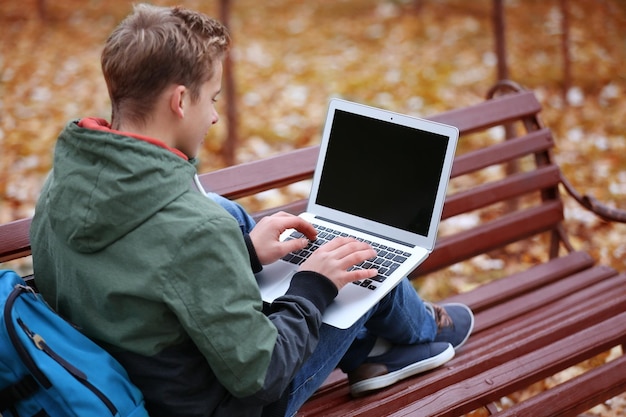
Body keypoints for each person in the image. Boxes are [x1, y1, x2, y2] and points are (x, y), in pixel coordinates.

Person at [29, 4, 474, 417]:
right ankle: (421, 333)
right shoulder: (193, 228)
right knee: (355, 260)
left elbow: (148, 275)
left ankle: (373, 353)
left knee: (266, 231)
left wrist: (242, 252)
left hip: (131, 383)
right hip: (222, 406)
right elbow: (262, 376)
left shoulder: (61, 187)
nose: (215, 117)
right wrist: (314, 288)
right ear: (180, 102)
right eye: (213, 99)